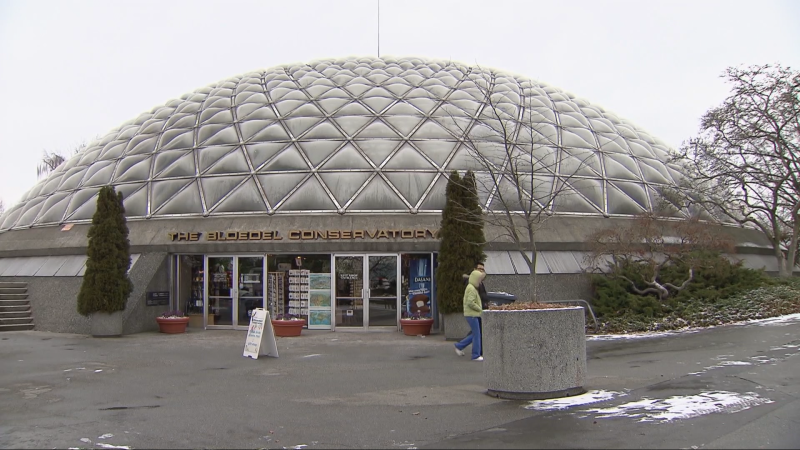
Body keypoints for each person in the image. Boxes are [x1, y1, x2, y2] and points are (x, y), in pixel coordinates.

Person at [454, 269, 485, 361]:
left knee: (476, 334)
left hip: (471, 314)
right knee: (477, 335)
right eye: (479, 279)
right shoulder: (471, 288)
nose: (480, 281)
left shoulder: (470, 287)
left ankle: (459, 346)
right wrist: (480, 309)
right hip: (472, 314)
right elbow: (470, 302)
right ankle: (475, 355)